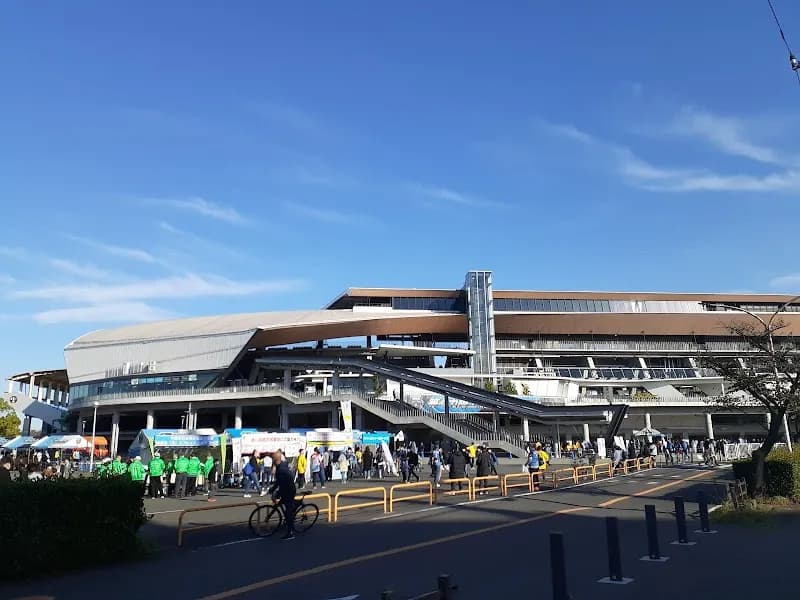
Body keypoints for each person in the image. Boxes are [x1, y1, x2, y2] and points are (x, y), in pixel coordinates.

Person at [268, 451, 297, 541]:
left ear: (275, 460)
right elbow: (279, 482)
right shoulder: (282, 466)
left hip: (288, 491)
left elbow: (282, 484)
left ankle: (290, 533)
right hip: (289, 489)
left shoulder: (280, 470)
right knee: (285, 506)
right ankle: (290, 518)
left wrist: (277, 493)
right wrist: (273, 489)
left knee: (288, 512)